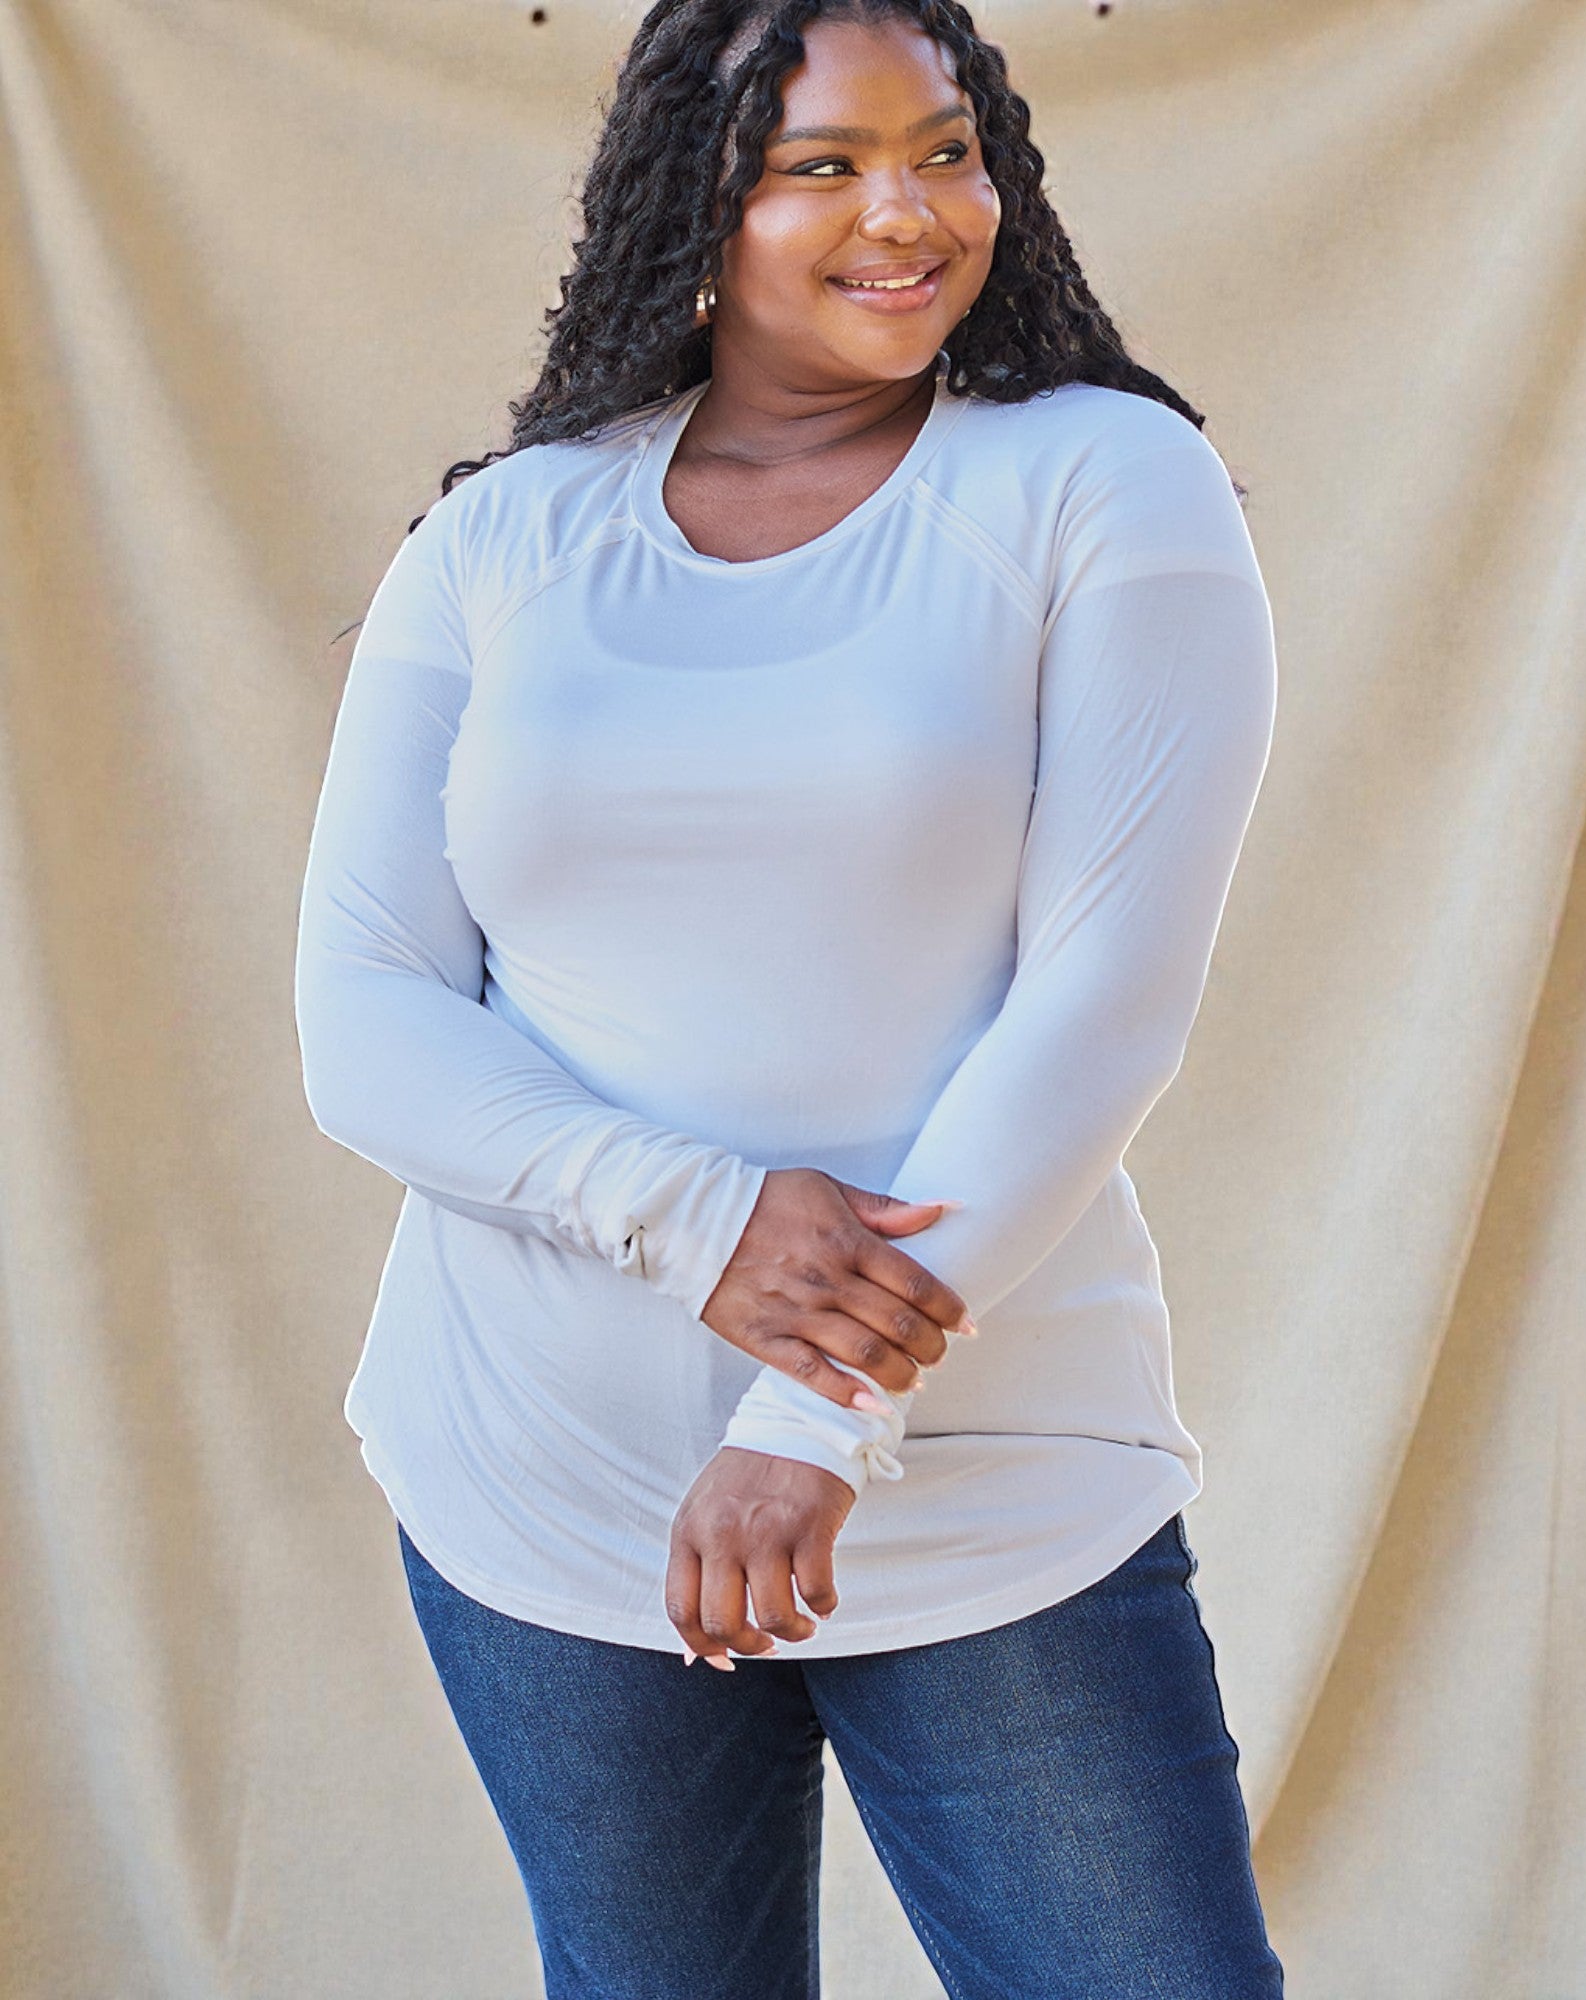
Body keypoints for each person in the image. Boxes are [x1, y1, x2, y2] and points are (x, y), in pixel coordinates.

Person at [293, 0, 1287, 1991]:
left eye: (943, 150)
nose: (904, 215)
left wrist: (809, 1420)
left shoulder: (1098, 482)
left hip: (975, 1480)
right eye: (816, 165)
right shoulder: (509, 533)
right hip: (536, 1489)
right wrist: (699, 1213)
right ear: (691, 192)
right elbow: (367, 1008)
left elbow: (1100, 1002)